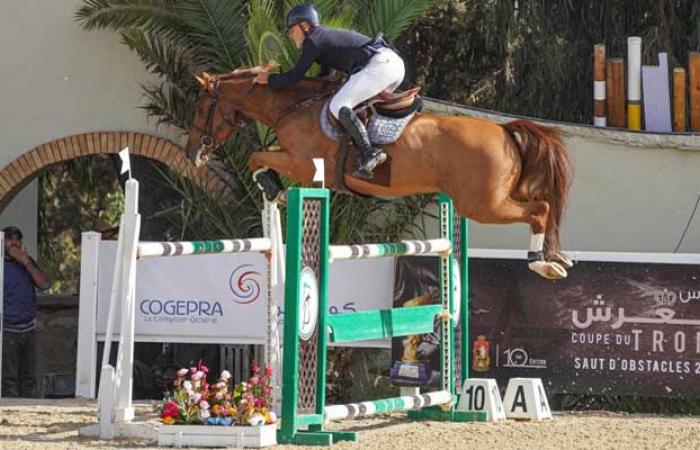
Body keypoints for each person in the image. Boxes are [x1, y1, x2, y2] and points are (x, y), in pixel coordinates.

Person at [254, 4, 405, 180]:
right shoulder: (320, 39)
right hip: (390, 65)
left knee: (338, 105)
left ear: (305, 25)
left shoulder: (313, 41)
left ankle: (370, 152)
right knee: (354, 107)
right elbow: (325, 75)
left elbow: (294, 77)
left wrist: (268, 80)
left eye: (291, 29)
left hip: (380, 65)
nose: (289, 34)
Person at [2, 226, 49, 397]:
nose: (14, 243)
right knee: (8, 379)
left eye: (17, 239)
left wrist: (27, 263)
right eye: (10, 239)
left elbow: (44, 284)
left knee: (29, 377)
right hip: (7, 329)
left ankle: (29, 409)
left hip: (28, 328)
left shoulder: (26, 262)